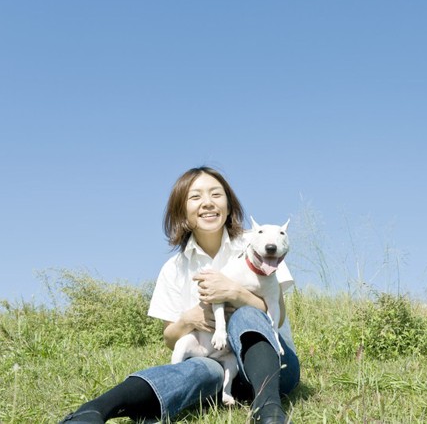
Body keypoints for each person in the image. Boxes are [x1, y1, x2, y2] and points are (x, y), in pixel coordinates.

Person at [60, 166, 300, 424]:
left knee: (245, 315)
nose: (207, 203)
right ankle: (93, 410)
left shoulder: (261, 242)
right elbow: (170, 337)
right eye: (195, 197)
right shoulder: (173, 269)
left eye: (216, 195)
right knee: (199, 367)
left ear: (229, 206)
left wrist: (235, 293)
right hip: (219, 370)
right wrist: (190, 319)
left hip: (275, 367)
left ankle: (270, 412)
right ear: (182, 211)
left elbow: (280, 314)